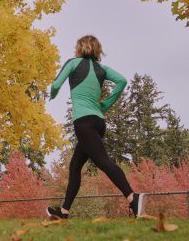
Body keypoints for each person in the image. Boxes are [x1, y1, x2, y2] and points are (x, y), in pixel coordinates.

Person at [46, 35, 145, 219]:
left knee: (103, 162)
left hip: (83, 122)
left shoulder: (73, 63)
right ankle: (64, 212)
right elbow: (122, 81)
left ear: (79, 48)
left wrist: (52, 94)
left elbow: (56, 84)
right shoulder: (102, 68)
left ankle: (133, 198)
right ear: (98, 50)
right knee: (75, 166)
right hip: (98, 122)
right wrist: (106, 104)